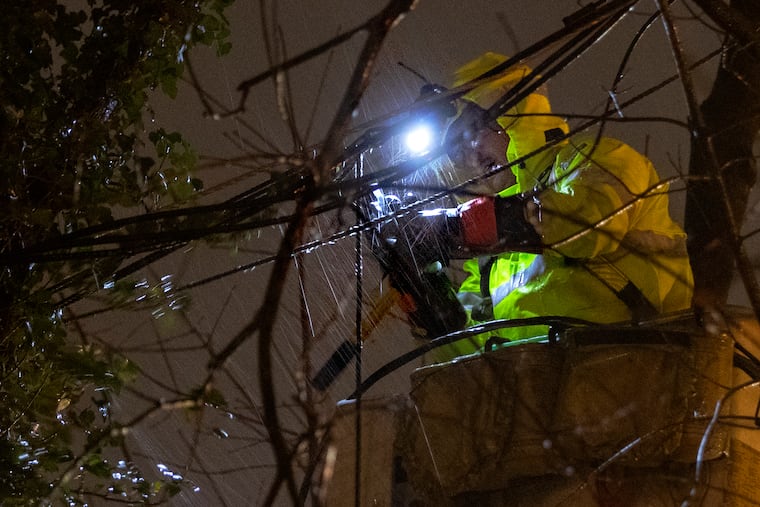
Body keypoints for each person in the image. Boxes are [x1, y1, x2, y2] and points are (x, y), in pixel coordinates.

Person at [421, 52, 694, 360]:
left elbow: (588, 223)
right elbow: (466, 362)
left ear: (514, 113)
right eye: (458, 148)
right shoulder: (490, 261)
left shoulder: (597, 159)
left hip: (632, 372)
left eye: (474, 132)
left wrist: (460, 227)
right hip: (544, 397)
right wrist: (430, 298)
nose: (471, 155)